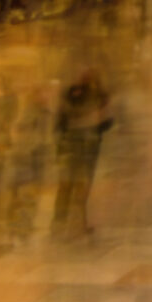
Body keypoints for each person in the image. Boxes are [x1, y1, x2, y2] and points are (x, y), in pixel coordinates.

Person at [52, 67, 110, 237]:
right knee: (78, 188)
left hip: (73, 148)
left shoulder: (71, 95)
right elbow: (105, 124)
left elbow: (59, 123)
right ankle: (73, 225)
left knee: (67, 188)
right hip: (85, 149)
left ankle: (62, 224)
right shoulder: (97, 97)